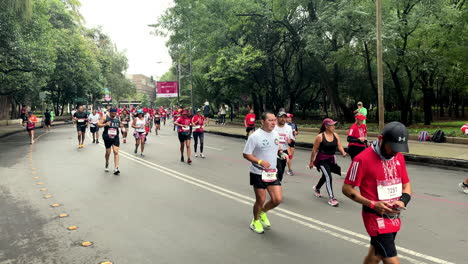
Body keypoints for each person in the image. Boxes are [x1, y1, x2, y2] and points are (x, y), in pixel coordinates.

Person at [342, 121, 412, 264]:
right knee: (391, 260)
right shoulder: (361, 159)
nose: (395, 152)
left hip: (393, 216)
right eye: (392, 147)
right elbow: (347, 189)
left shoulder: (398, 157)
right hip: (375, 218)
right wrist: (373, 204)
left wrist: (403, 201)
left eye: (398, 149)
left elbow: (406, 185)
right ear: (381, 139)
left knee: (375, 256)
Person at [243, 111, 283, 234]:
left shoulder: (276, 133)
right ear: (262, 121)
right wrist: (260, 161)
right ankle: (255, 221)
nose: (273, 122)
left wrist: (282, 153)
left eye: (274, 120)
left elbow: (277, 147)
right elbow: (246, 154)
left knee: (277, 199)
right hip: (257, 172)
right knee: (261, 199)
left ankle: (262, 213)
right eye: (270, 120)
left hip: (271, 172)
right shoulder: (255, 136)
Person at [308, 118, 347, 207]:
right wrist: (311, 162)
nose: (333, 126)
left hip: (331, 159)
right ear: (326, 126)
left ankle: (317, 188)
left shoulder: (335, 135)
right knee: (328, 176)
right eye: (332, 125)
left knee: (325, 176)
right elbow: (314, 150)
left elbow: (339, 145)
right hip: (322, 160)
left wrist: (343, 152)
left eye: (334, 125)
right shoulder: (320, 137)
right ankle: (332, 198)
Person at [98, 108, 122, 174]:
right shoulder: (105, 117)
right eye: (113, 113)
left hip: (115, 137)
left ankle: (116, 168)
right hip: (107, 137)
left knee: (116, 151)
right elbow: (98, 124)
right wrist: (105, 124)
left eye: (115, 113)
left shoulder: (117, 118)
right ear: (110, 112)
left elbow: (120, 125)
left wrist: (122, 127)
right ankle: (107, 163)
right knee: (108, 153)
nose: (114, 115)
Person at [274, 111, 294, 182]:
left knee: (281, 170)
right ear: (277, 118)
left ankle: (277, 183)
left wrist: (289, 140)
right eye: (281, 117)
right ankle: (275, 185)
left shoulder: (289, 128)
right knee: (278, 169)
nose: (283, 119)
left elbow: (291, 140)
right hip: (274, 151)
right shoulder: (274, 127)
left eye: (284, 117)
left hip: (284, 152)